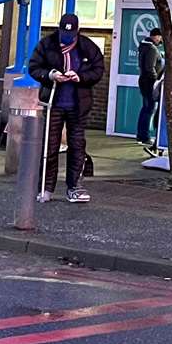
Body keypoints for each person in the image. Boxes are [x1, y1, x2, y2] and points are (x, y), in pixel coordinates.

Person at [29, 12, 104, 204]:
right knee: (49, 146)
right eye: (64, 33)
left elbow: (98, 69)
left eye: (70, 34)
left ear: (77, 30)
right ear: (59, 29)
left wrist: (81, 77)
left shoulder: (87, 47)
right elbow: (34, 67)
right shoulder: (47, 44)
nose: (66, 37)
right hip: (54, 102)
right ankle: (46, 187)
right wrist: (51, 74)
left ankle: (74, 186)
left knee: (77, 146)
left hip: (78, 104)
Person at [136, 26, 164, 148]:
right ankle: (144, 137)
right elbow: (149, 67)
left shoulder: (144, 46)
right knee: (149, 109)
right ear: (156, 36)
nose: (161, 41)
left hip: (144, 81)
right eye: (160, 38)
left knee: (146, 108)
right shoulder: (152, 49)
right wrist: (155, 81)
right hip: (149, 82)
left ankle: (141, 135)